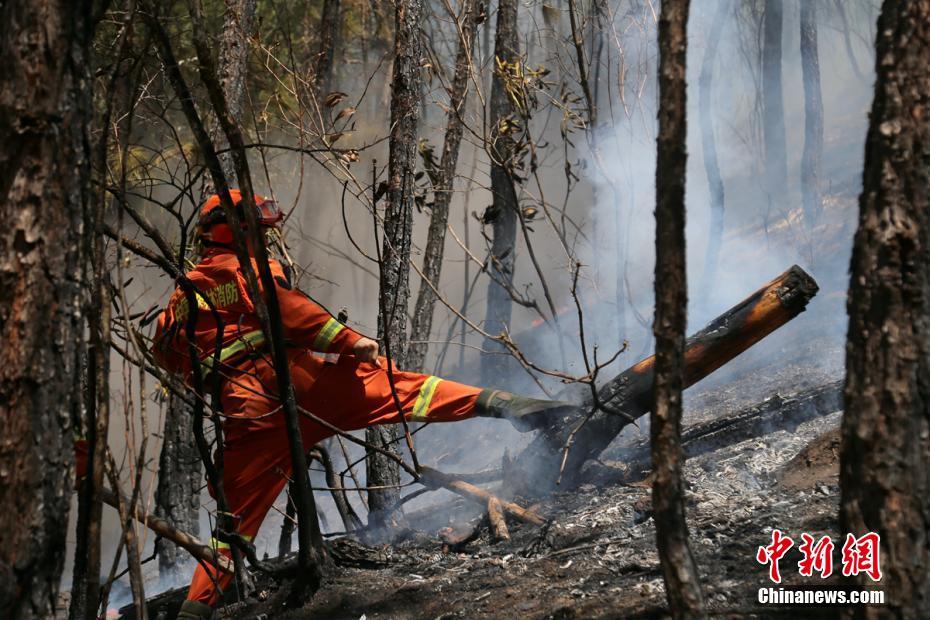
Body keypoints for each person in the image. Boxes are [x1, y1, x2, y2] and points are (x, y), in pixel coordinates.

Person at [154, 190, 575, 619]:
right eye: (258, 232)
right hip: (297, 385)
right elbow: (288, 310)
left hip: (245, 414)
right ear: (238, 230)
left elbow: (166, 353)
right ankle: (509, 404)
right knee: (400, 388)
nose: (264, 240)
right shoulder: (247, 270)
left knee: (232, 529)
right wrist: (348, 340)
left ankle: (193, 612)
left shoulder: (183, 296)